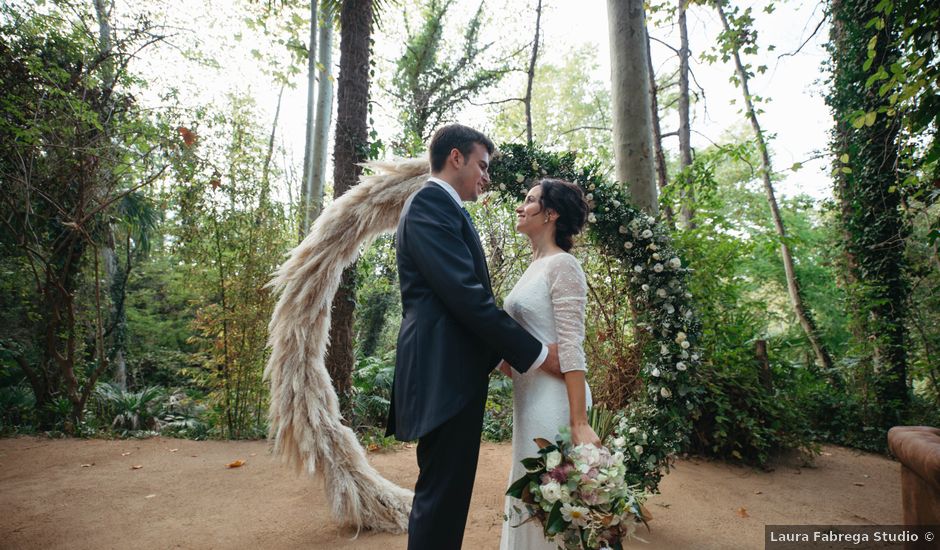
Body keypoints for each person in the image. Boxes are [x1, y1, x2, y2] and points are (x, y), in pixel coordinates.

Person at [385, 124, 563, 550]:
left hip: (453, 372)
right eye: (482, 165)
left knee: (447, 496)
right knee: (441, 498)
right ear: (456, 158)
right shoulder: (430, 204)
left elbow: (457, 304)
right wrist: (536, 353)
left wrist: (494, 356)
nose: (486, 176)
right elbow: (465, 298)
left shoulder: (443, 208)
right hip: (442, 375)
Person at [498, 178, 601, 550]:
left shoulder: (564, 265)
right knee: (530, 497)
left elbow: (571, 345)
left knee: (551, 502)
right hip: (527, 400)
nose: (520, 207)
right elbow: (528, 339)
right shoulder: (533, 268)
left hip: (555, 404)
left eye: (529, 200)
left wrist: (579, 422)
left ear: (551, 213)